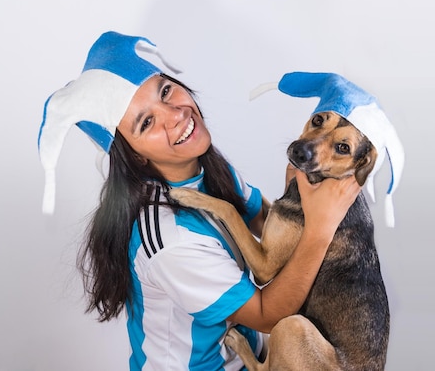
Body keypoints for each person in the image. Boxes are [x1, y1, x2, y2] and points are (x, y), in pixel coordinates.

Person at [38, 31, 360, 370]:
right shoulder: (171, 241)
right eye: (147, 122)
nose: (174, 114)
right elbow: (268, 314)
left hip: (251, 357)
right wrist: (321, 229)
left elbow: (269, 226)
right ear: (135, 157)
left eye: (165, 91)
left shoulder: (205, 169)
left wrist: (301, 187)